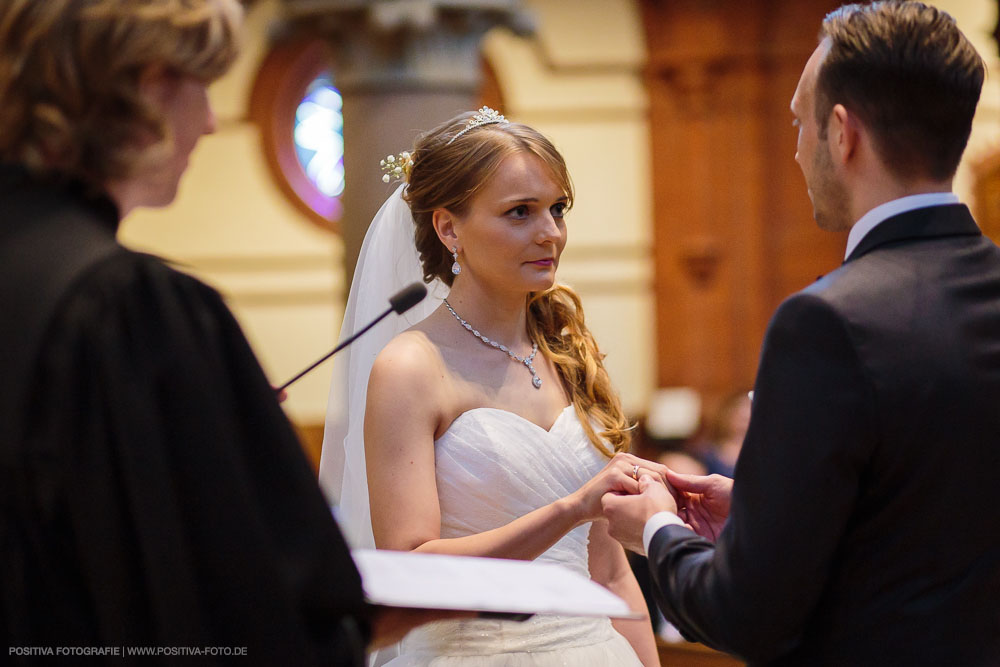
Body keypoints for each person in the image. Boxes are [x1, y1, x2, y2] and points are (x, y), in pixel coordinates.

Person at [0, 1, 450, 663]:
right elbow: (252, 615)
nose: (210, 121)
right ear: (149, 88)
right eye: (202, 85)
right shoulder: (129, 309)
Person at [602, 2, 1000, 665]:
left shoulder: (826, 321)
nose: (794, 145)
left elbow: (746, 614)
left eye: (798, 121)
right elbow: (928, 521)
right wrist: (766, 508)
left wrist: (659, 528)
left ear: (841, 133)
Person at [320, 109, 661, 666]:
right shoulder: (411, 367)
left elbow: (610, 570)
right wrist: (570, 509)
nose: (550, 232)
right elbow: (411, 565)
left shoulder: (568, 351)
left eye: (557, 209)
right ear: (449, 228)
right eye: (520, 213)